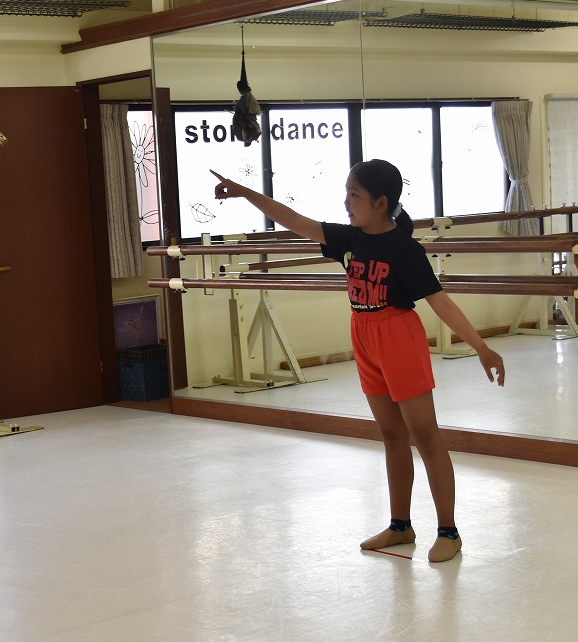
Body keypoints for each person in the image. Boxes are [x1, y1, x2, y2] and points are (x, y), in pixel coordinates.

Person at [211, 161, 505, 563]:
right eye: (346, 193)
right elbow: (293, 220)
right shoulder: (347, 238)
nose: (346, 202)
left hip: (398, 335)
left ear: (380, 203)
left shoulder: (404, 249)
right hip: (364, 334)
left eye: (354, 195)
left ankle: (448, 531)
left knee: (424, 434)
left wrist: (481, 347)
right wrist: (245, 192)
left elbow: (440, 301)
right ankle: (400, 526)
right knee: (391, 434)